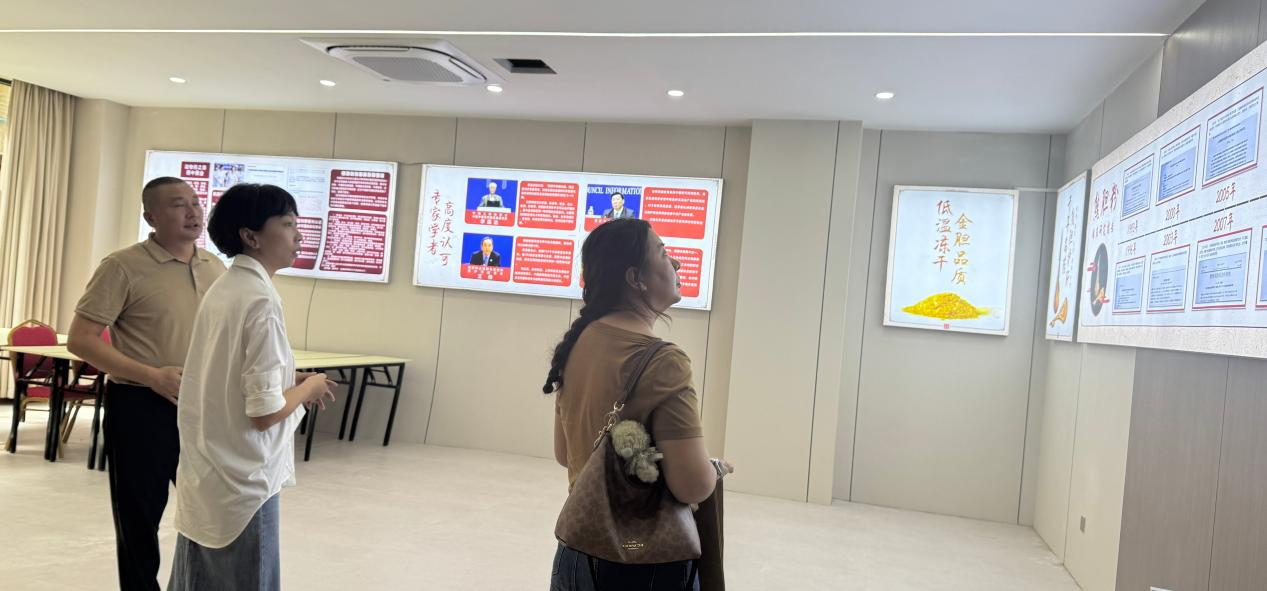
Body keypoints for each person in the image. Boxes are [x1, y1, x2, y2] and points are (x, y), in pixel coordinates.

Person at [545, 218, 733, 590]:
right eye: (663, 253)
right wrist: (715, 469)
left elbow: (565, 454)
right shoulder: (664, 361)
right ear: (636, 278)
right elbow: (692, 485)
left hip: (576, 550)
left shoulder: (578, 343)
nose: (676, 263)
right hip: (642, 565)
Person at [168, 183, 336, 591]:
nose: (299, 235)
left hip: (209, 470)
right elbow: (264, 412)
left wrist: (289, 380)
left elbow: (226, 373)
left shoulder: (225, 288)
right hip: (244, 479)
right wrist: (310, 387)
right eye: (288, 224)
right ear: (251, 235)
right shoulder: (261, 300)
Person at [67, 177, 227, 591]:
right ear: (151, 217)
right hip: (140, 405)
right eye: (178, 205)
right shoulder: (122, 266)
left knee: (211, 513)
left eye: (196, 202)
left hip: (202, 407)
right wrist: (152, 376)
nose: (192, 212)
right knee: (140, 516)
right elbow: (81, 340)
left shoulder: (215, 267)